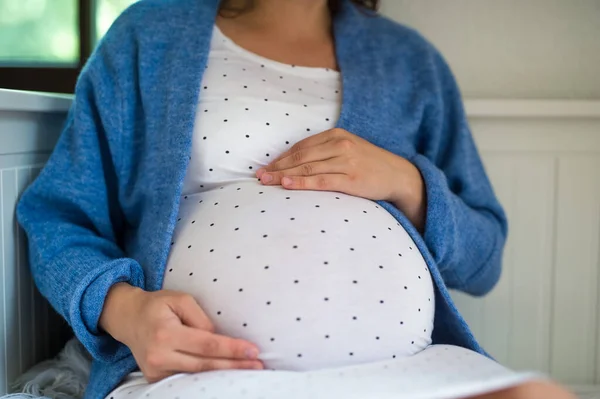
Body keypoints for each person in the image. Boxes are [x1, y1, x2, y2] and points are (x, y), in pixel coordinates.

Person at [17, 0, 575, 398]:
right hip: (206, 373)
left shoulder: (409, 60)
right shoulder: (149, 33)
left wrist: (407, 181)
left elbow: (485, 258)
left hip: (404, 369)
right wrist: (124, 312)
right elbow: (59, 215)